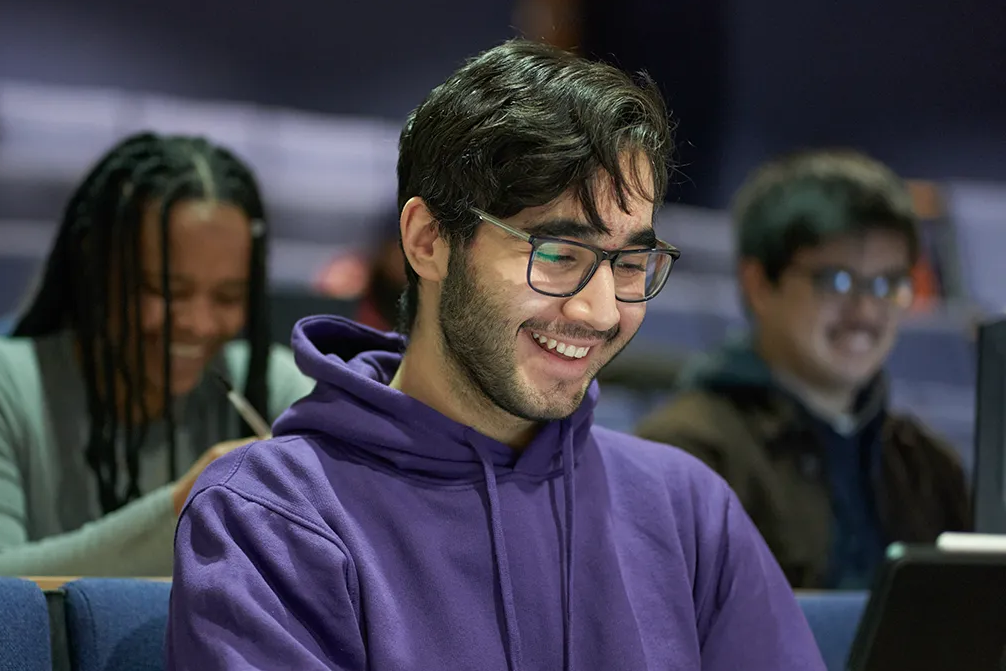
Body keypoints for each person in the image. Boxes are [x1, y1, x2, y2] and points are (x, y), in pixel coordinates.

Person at [167, 40, 825, 670]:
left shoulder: (689, 511)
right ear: (427, 241)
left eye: (629, 262)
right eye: (558, 253)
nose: (600, 310)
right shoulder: (270, 517)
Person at [0, 133, 315, 576]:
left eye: (227, 297)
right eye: (164, 290)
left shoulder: (271, 385)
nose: (199, 323)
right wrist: (186, 506)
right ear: (94, 268)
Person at [635, 149, 971, 590]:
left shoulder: (929, 465)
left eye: (889, 284)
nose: (866, 311)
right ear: (759, 283)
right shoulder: (685, 451)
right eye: (837, 280)